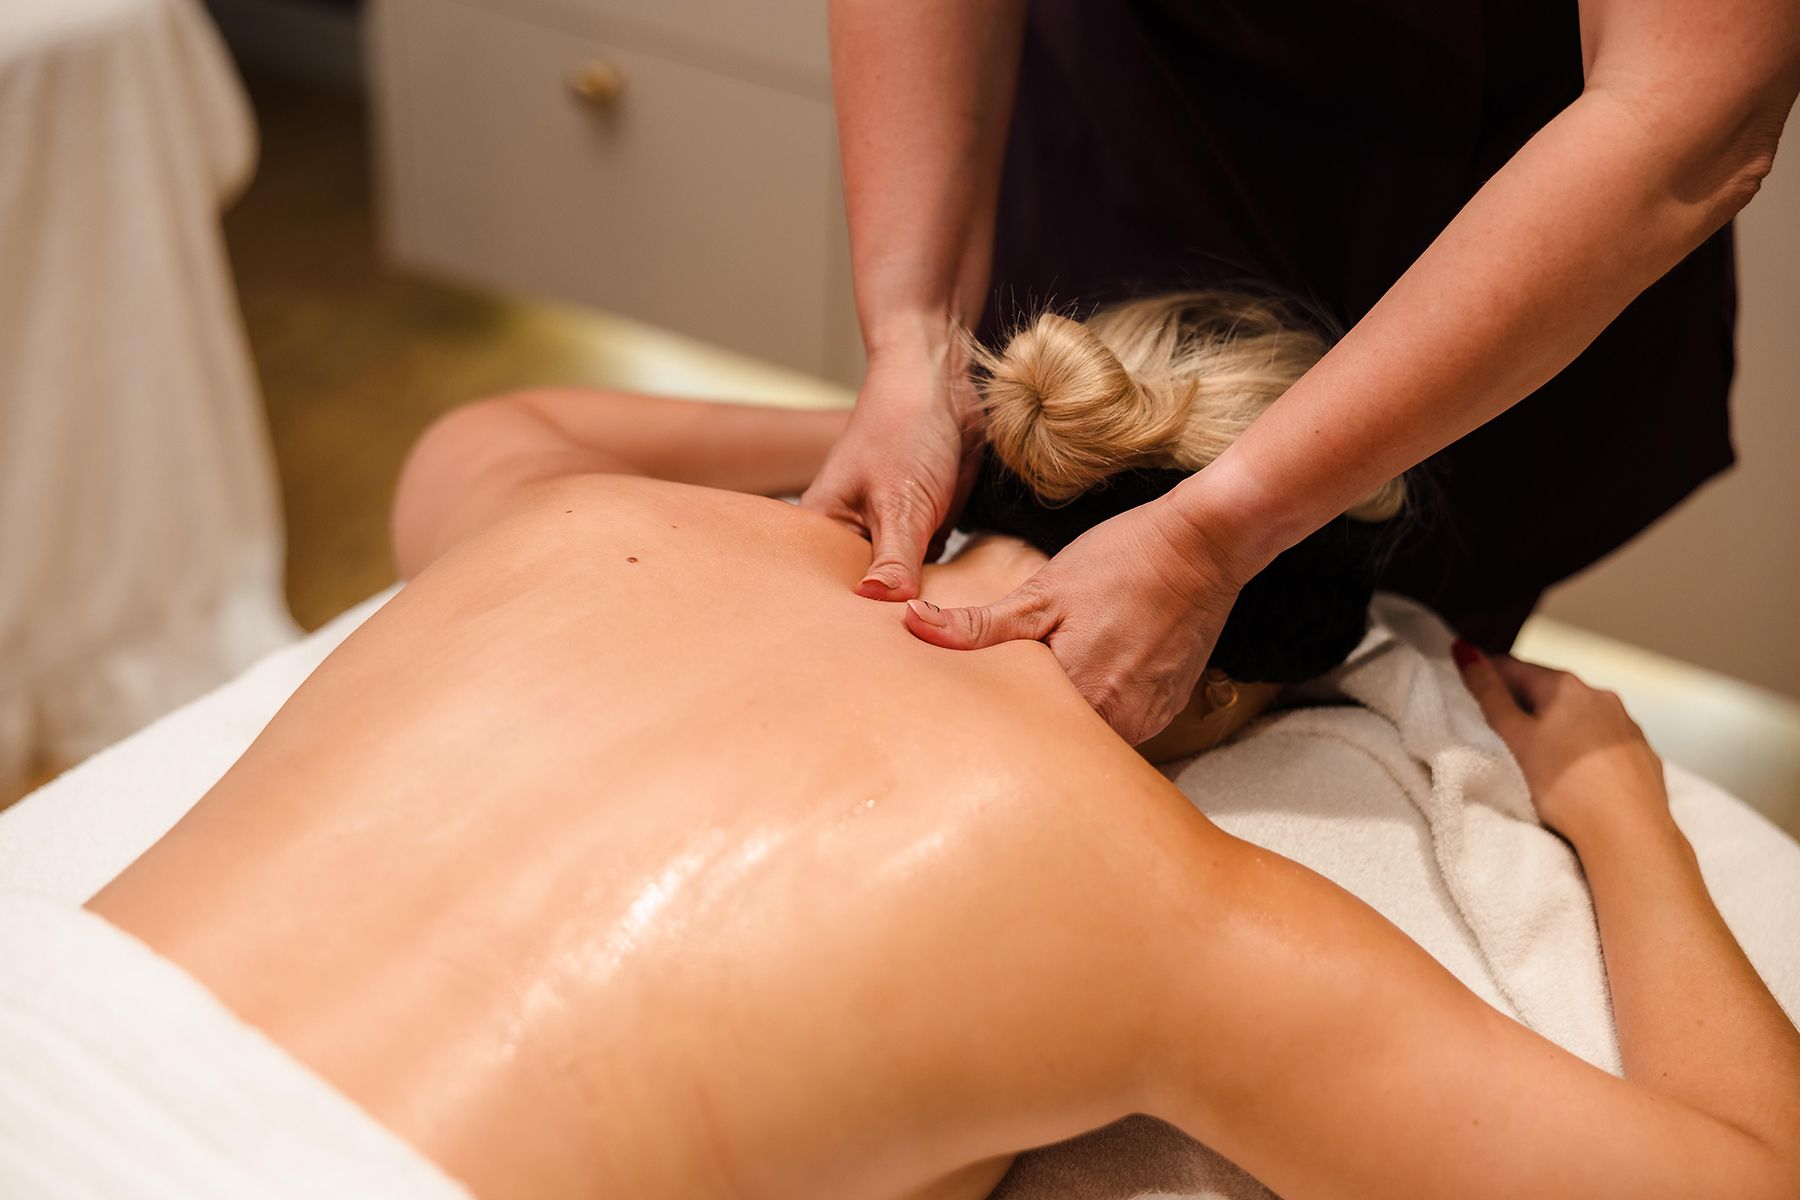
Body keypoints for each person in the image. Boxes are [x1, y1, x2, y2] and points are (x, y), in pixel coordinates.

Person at [82, 363, 1800, 1198]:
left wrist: (891, 430)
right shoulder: (1137, 890)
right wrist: (1619, 814)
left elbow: (482, 434)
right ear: (1225, 697)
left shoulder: (583, 526)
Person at [806, 0, 1800, 745]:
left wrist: (1211, 539)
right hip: (1145, 116)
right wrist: (914, 342)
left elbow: (1684, 113)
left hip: (1511, 224)